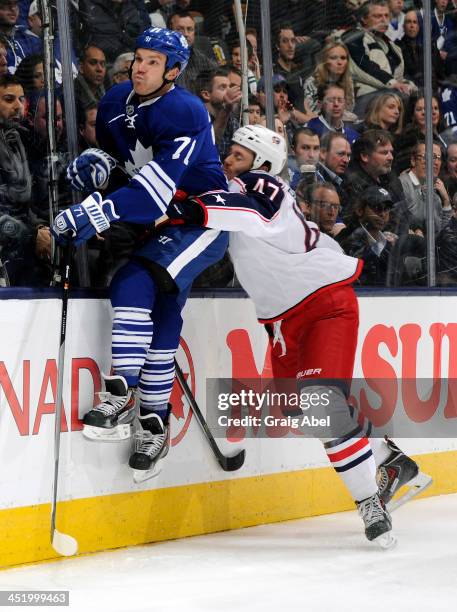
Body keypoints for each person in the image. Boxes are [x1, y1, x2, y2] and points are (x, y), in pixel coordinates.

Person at [166, 124, 430, 546]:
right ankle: (387, 458)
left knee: (320, 405)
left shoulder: (266, 188)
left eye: (239, 153)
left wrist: (190, 208)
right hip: (283, 322)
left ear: (263, 164)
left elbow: (245, 213)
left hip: (324, 304)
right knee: (298, 413)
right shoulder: (236, 187)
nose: (229, 158)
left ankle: (368, 503)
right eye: (229, 151)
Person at [51, 27, 229, 480]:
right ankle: (154, 423)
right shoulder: (114, 102)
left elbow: (151, 194)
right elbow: (124, 170)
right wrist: (100, 168)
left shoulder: (185, 110)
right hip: (161, 224)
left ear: (174, 71)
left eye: (153, 62)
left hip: (202, 221)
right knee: (163, 306)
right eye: (139, 58)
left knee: (135, 279)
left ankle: (122, 391)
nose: (141, 67)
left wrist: (94, 212)